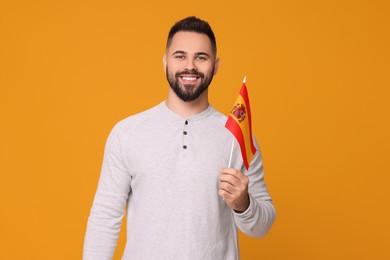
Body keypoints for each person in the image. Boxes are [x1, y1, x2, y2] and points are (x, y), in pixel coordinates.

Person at [83, 16, 275, 260]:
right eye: (180, 56)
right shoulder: (127, 133)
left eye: (201, 57)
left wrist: (244, 204)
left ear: (215, 66)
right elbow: (104, 216)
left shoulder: (236, 137)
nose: (190, 66)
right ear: (165, 62)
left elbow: (262, 227)